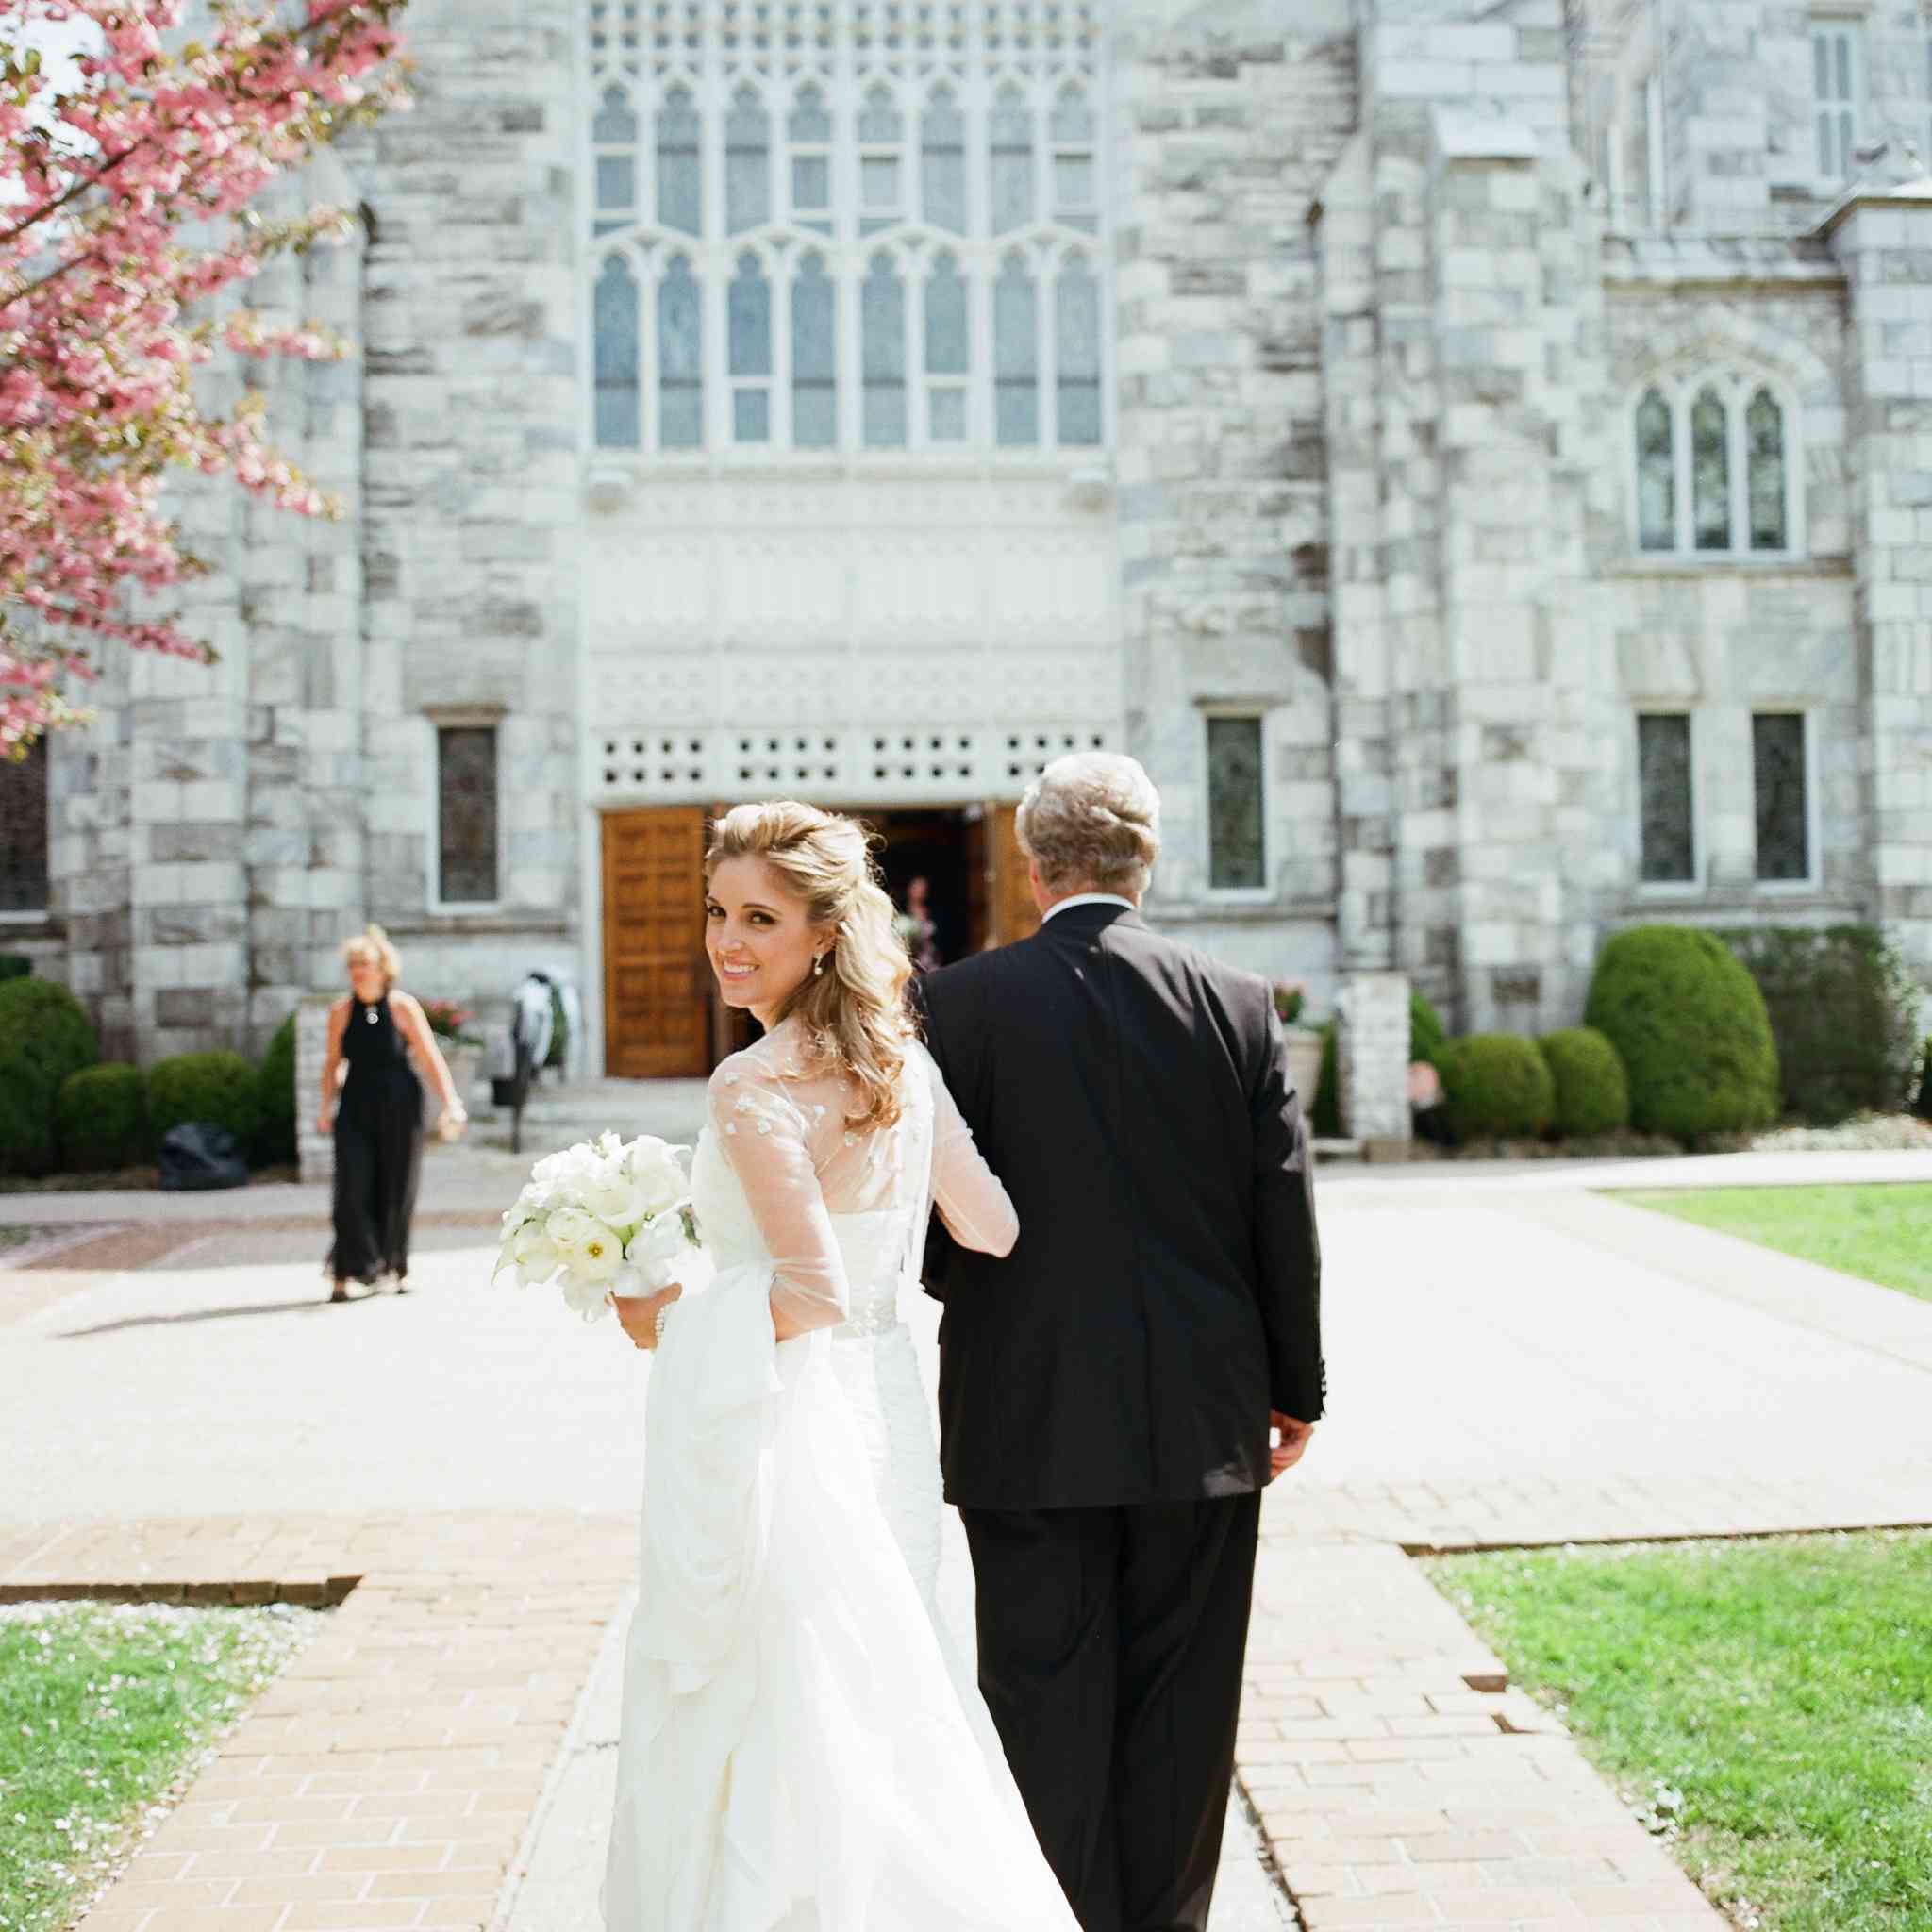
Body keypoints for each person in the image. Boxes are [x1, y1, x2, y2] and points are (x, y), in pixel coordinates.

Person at [599, 801, 1080, 1932]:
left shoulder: (753, 1083)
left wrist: (668, 1318)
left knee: (786, 1707)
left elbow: (804, 1291)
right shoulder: (902, 1063)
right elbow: (996, 1226)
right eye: (718, 911)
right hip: (886, 1414)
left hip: (789, 1427)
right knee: (884, 1694)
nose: (727, 939)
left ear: (822, 931)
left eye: (759, 917)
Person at [914, 752, 1324, 1932]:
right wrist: (1293, 1387)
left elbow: (926, 1225)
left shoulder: (957, 1004)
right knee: (1183, 1713)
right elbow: (1279, 1215)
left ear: (1031, 865)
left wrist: (992, 1302)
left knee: (1037, 1703)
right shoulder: (1237, 1003)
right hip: (1201, 1418)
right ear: (1147, 863)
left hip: (1020, 1410)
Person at [317, 924, 467, 1304]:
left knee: (397, 1186)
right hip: (355, 1106)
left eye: (364, 964)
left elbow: (429, 1056)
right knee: (351, 1188)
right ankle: (346, 1272)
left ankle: (396, 1268)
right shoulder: (340, 1011)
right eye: (352, 965)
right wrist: (324, 1106)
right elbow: (333, 1063)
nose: (357, 972)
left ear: (383, 968)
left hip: (399, 1105)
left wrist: (451, 1101)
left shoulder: (402, 1007)